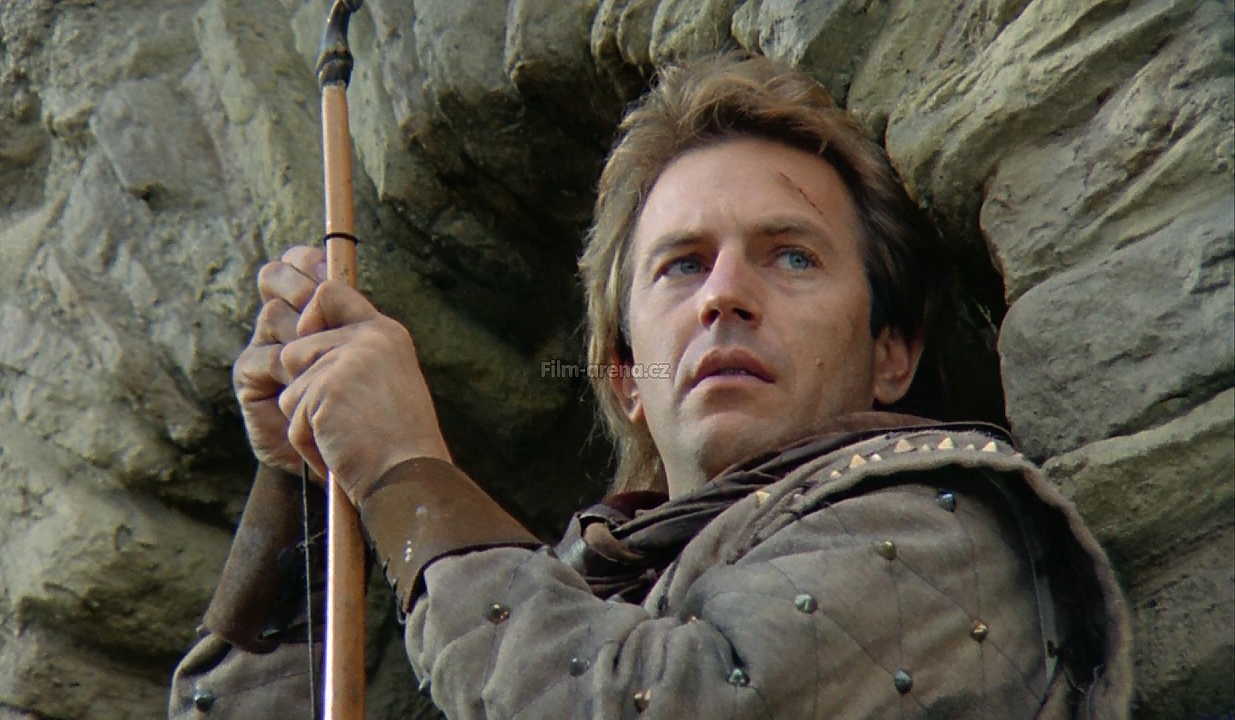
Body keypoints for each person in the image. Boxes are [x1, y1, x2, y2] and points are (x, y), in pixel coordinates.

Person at [170, 53, 1133, 719]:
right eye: (682, 265)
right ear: (628, 377)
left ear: (893, 352)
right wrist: (310, 479)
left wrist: (406, 472)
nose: (724, 296)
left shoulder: (946, 534)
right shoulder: (569, 594)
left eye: (791, 256)